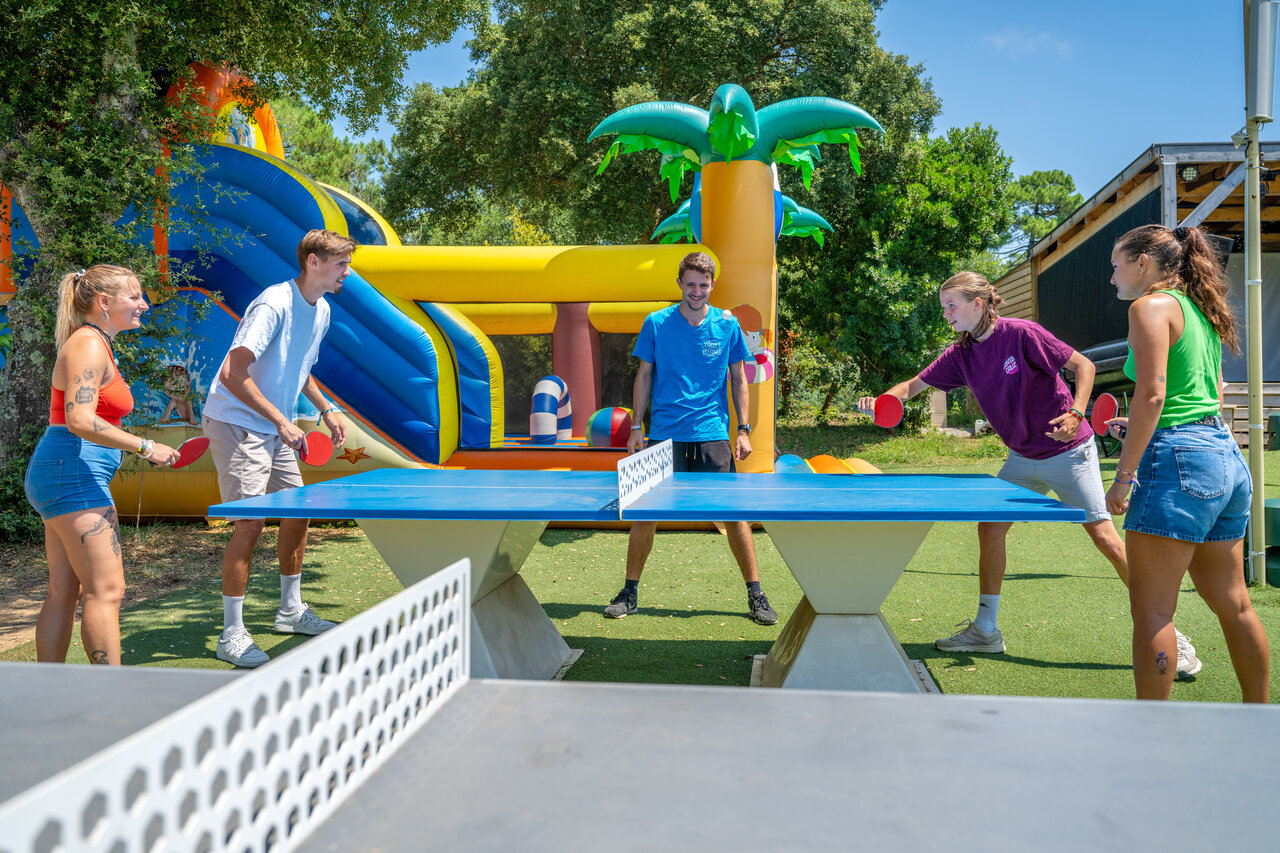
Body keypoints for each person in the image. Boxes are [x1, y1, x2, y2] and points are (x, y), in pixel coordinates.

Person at [859, 271, 1200, 674]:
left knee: (1105, 537)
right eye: (943, 307)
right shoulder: (961, 354)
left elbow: (1083, 366)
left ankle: (1172, 636)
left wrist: (1076, 412)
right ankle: (986, 629)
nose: (946, 314)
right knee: (990, 526)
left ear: (978, 304)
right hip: (1021, 457)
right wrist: (882, 400)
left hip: (1068, 451)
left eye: (951, 305)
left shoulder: (1023, 333)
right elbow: (913, 386)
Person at [1105, 224, 1269, 702]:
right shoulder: (1202, 310)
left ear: (1142, 263)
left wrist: (1124, 476)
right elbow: (1210, 394)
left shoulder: (1148, 307)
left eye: (1116, 264)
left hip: (1178, 460)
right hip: (1224, 456)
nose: (1112, 276)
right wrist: (1135, 428)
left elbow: (1152, 394)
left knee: (1153, 612)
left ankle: (1151, 735)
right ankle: (1260, 717)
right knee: (1235, 603)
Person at [203, 229, 353, 667]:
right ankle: (231, 634)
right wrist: (282, 421)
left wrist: (327, 409)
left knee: (297, 509)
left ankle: (290, 611)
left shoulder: (322, 309)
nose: (347, 271)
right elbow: (233, 371)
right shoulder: (273, 303)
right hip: (236, 423)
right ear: (313, 262)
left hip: (273, 426)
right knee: (250, 524)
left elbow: (299, 367)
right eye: (341, 263)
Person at [603, 251, 778, 626]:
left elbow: (738, 379)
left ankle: (756, 594)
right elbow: (645, 375)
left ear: (712, 286)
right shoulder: (656, 323)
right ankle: (629, 592)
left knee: (734, 516)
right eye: (690, 284)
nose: (697, 291)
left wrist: (743, 429)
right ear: (679, 284)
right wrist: (637, 426)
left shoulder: (727, 327)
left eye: (704, 285)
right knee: (645, 514)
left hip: (712, 434)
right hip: (664, 434)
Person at [25, 265, 182, 665]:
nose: (144, 305)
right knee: (106, 590)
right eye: (135, 296)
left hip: (65, 472)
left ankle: (48, 691)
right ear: (104, 303)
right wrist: (146, 446)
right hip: (72, 473)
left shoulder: (95, 343)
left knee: (66, 590)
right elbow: (79, 419)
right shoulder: (88, 344)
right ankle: (107, 698)